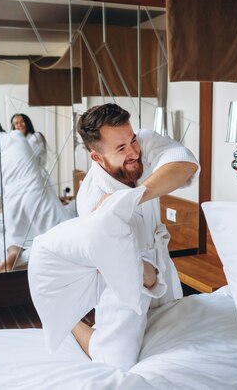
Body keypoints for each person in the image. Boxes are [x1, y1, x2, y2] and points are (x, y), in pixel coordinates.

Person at [72, 103, 199, 369]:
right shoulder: (92, 200)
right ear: (97, 157)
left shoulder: (141, 142)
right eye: (120, 149)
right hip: (124, 283)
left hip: (161, 272)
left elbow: (186, 163)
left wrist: (127, 200)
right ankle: (71, 323)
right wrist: (152, 277)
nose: (133, 152)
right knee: (116, 361)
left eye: (132, 140)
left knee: (178, 346)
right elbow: (127, 266)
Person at [0, 119, 71, 273]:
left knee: (15, 237)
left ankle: (13, 254)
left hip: (12, 200)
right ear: (2, 128)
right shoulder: (16, 136)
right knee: (62, 229)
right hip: (35, 191)